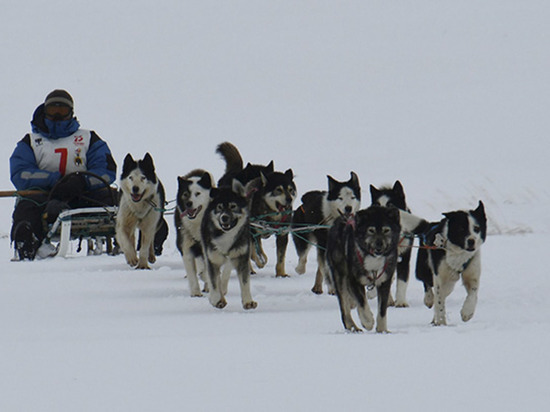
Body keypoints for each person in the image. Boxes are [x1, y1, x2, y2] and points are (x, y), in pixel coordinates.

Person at [9, 89, 117, 260]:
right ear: (45, 111)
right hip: (44, 196)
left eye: (62, 111)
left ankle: (137, 239)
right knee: (26, 208)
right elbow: (20, 174)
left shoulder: (89, 138)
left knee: (117, 200)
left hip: (83, 193)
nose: (57, 115)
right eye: (52, 110)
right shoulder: (31, 142)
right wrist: (55, 181)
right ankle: (28, 243)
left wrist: (82, 181)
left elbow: (107, 171)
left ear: (71, 113)